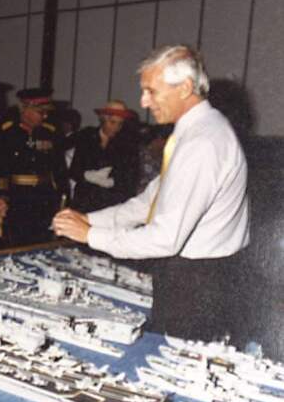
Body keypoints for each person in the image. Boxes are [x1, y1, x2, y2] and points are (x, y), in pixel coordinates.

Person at [52, 45, 250, 344]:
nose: (144, 101)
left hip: (198, 283)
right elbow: (147, 205)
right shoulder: (192, 134)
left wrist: (92, 236)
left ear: (184, 88)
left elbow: (165, 236)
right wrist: (86, 219)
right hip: (190, 276)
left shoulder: (203, 143)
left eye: (151, 91)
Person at [0, 88, 68, 246]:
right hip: (17, 197)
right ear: (25, 109)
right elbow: (0, 168)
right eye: (40, 112)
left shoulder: (51, 132)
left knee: (42, 240)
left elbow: (58, 167)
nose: (45, 116)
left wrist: (63, 196)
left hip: (44, 197)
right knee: (15, 241)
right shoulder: (7, 132)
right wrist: (1, 195)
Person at [69, 100, 139, 212]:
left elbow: (131, 178)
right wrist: (87, 175)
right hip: (84, 203)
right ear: (102, 119)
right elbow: (73, 170)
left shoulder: (127, 145)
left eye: (120, 124)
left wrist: (113, 182)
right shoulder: (86, 137)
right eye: (112, 122)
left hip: (111, 205)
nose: (116, 128)